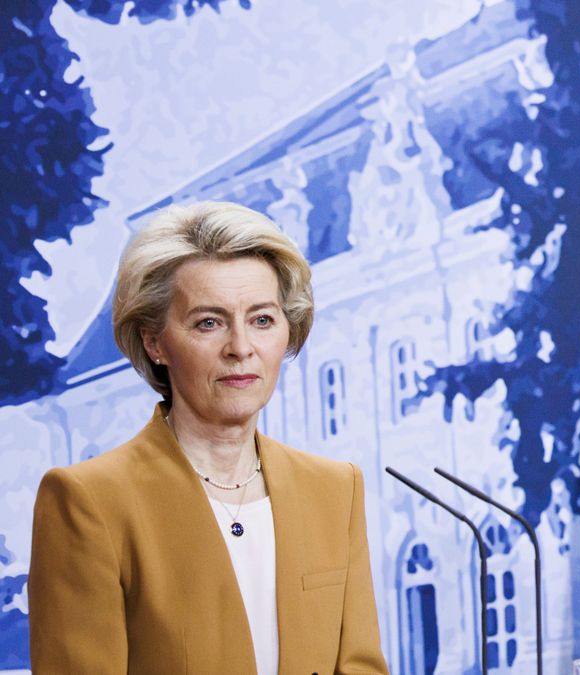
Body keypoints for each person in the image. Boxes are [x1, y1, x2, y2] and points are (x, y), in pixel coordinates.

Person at [29, 202, 388, 674]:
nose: (241, 348)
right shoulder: (88, 502)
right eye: (209, 323)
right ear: (155, 343)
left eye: (262, 320)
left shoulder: (336, 488)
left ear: (288, 330)